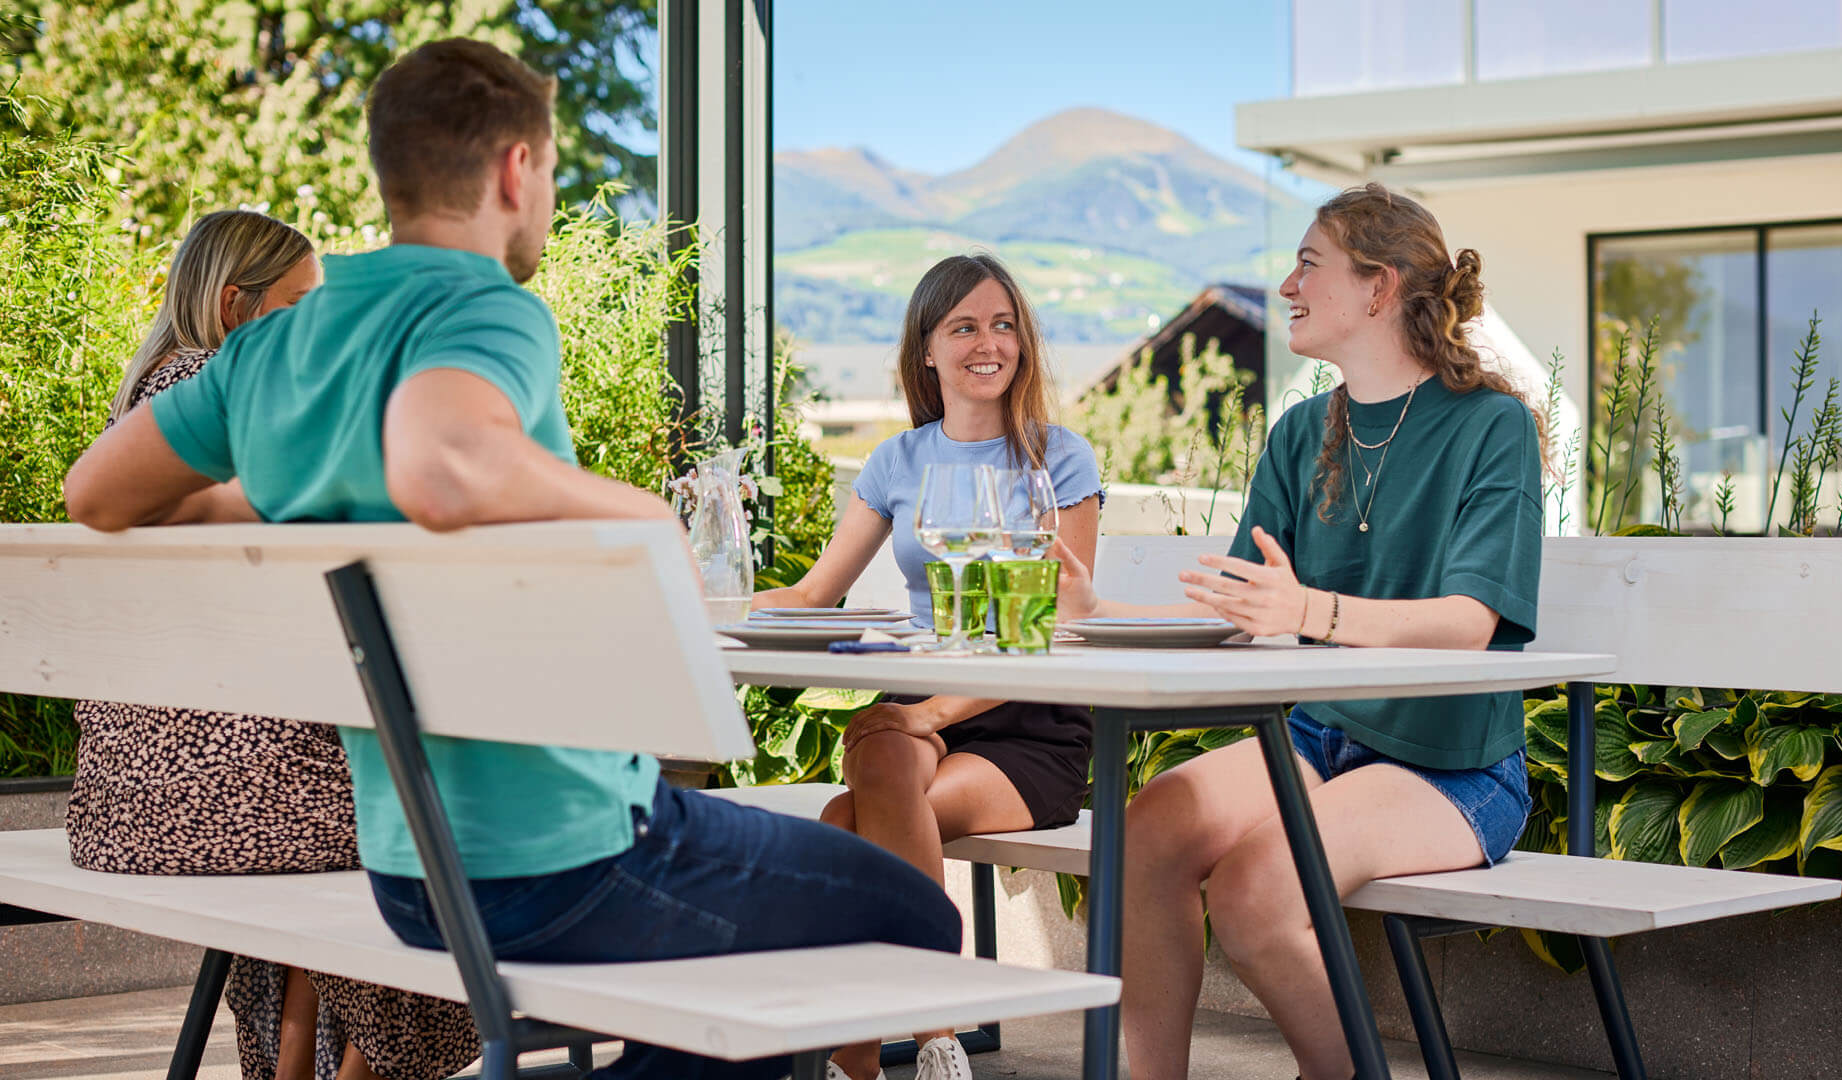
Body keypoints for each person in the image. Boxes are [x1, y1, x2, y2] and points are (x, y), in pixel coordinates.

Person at [62, 37, 960, 1080]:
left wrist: (266, 498)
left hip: (409, 869)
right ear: (514, 169)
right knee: (911, 922)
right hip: (563, 852)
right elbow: (443, 463)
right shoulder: (484, 303)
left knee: (733, 979)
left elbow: (97, 493)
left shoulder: (274, 347)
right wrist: (644, 519)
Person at [1053, 183, 1546, 1080]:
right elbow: (1239, 611)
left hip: (1453, 767)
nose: (1285, 283)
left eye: (1309, 263)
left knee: (1256, 887)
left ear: (1379, 287)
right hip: (1320, 735)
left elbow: (1469, 623)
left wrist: (1311, 614)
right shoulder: (1298, 433)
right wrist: (1096, 614)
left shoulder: (1493, 428)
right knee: (1148, 828)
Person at [65, 208, 481, 1080]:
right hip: (229, 803)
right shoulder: (231, 385)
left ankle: (296, 1061)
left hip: (123, 803)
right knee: (448, 820)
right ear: (233, 306)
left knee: (353, 780)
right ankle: (356, 1073)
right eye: (299, 308)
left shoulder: (146, 407)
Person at [754, 253, 1105, 1080]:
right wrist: (713, 599)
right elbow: (816, 591)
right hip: (919, 692)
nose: (989, 343)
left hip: (1028, 706)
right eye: (965, 327)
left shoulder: (1059, 458)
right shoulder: (897, 461)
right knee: (879, 752)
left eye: (1003, 323)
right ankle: (926, 1031)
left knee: (846, 832)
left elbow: (1047, 626)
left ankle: (872, 1054)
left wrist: (931, 715)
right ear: (928, 349)